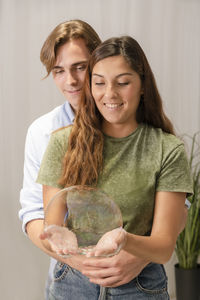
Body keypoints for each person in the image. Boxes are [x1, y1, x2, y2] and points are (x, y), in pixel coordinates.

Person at [37, 36, 193, 299]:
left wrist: (124, 240)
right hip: (72, 285)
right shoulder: (63, 142)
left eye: (123, 83)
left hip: (140, 287)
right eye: (99, 83)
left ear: (143, 85)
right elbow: (52, 224)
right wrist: (58, 239)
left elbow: (164, 247)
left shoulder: (167, 150)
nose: (109, 94)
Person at [19, 21, 150, 299]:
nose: (71, 81)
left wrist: (140, 256)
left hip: (136, 277)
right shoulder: (44, 133)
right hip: (70, 278)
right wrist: (78, 262)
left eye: (80, 67)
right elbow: (32, 214)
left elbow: (175, 206)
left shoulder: (137, 124)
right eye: (59, 71)